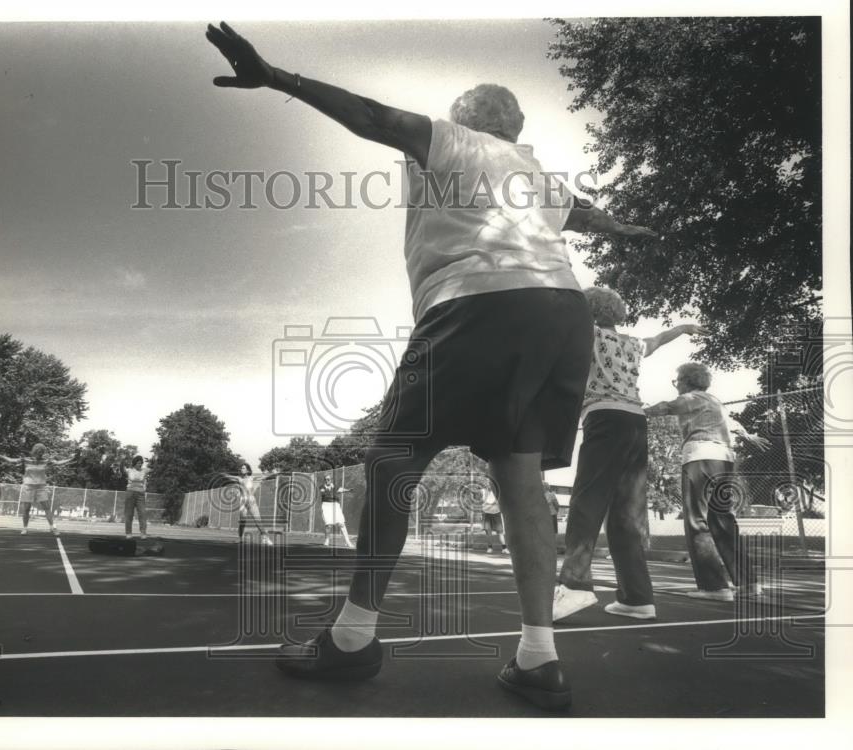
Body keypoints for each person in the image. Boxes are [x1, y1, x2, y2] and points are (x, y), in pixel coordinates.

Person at [206, 22, 657, 709]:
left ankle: (353, 640)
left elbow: (372, 117)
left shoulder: (453, 141)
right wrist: (621, 227)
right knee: (519, 479)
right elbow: (585, 217)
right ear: (519, 126)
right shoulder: (535, 175)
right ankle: (539, 655)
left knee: (390, 462)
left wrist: (279, 78)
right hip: (562, 313)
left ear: (463, 118)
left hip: (479, 301)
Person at [554, 287, 708, 622]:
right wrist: (682, 328)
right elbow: (659, 338)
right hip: (636, 422)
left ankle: (575, 584)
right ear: (617, 313)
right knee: (626, 513)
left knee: (587, 500)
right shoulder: (632, 344)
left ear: (588, 311)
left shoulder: (584, 332)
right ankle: (637, 597)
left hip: (604, 418)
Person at [644, 363, 770, 601]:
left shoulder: (691, 397)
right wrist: (749, 436)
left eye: (677, 380)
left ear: (687, 380)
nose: (677, 385)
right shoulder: (715, 401)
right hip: (724, 460)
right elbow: (733, 424)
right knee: (723, 520)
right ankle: (748, 583)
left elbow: (667, 407)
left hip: (700, 457)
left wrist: (641, 412)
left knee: (697, 520)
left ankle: (714, 586)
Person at [0, 444, 75, 536]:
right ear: (34, 452)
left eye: (41, 452)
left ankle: (52, 527)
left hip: (41, 487)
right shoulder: (26, 460)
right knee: (26, 509)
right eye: (38, 452)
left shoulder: (46, 461)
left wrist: (70, 459)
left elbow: (58, 463)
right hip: (28, 487)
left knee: (47, 508)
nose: (40, 454)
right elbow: (11, 460)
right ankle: (25, 528)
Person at [222, 463, 274, 546]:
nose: (241, 469)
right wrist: (223, 474)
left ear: (248, 470)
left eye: (243, 468)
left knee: (258, 520)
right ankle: (240, 539)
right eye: (241, 468)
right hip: (243, 501)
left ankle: (265, 538)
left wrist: (272, 472)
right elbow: (230, 477)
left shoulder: (252, 478)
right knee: (242, 522)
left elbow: (264, 477)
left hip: (251, 500)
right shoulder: (239, 479)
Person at [320, 473, 355, 549]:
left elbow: (340, 489)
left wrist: (348, 490)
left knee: (342, 524)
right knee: (328, 525)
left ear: (331, 480)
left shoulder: (335, 487)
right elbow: (324, 494)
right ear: (324, 480)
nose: (327, 481)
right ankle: (327, 539)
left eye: (328, 479)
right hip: (326, 506)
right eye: (326, 479)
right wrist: (336, 492)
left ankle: (348, 542)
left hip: (335, 505)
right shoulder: (322, 487)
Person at [125, 455, 148, 540]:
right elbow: (121, 469)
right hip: (130, 493)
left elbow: (154, 470)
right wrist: (122, 462)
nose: (140, 464)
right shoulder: (129, 470)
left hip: (141, 494)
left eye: (141, 463)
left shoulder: (144, 471)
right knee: (129, 514)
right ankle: (128, 533)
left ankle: (143, 533)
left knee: (143, 513)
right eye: (138, 463)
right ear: (134, 463)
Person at [480, 484, 506, 554]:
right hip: (486, 513)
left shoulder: (498, 492)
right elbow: (483, 501)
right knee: (488, 532)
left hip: (496, 513)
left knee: (500, 532)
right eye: (488, 484)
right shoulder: (483, 491)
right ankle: (490, 547)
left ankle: (504, 548)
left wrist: (491, 503)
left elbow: (497, 502)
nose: (489, 486)